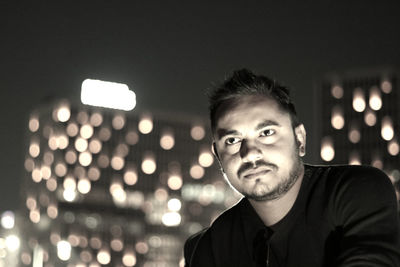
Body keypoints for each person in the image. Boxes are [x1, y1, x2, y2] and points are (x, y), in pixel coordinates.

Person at [184, 69, 400, 267]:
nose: (250, 152)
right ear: (218, 157)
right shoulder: (209, 246)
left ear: (300, 139)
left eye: (266, 133)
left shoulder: (356, 191)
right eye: (232, 140)